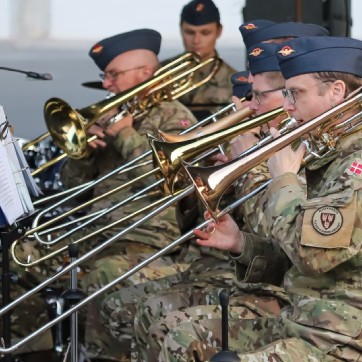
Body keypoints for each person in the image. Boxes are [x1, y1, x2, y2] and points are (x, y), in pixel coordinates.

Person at [159, 35, 362, 361]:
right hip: (303, 317)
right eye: (285, 93)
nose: (288, 106)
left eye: (296, 94)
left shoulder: (356, 165)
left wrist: (282, 181)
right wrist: (242, 244)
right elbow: (304, 263)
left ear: (336, 92)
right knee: (182, 337)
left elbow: (312, 256)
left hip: (339, 334)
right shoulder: (329, 150)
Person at [125, 42, 292, 362]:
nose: (248, 107)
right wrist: (237, 238)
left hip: (284, 297)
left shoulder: (302, 150)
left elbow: (287, 235)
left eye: (258, 96)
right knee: (152, 313)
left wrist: (248, 167)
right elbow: (199, 220)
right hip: (250, 278)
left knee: (175, 330)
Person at [59, 29, 198, 361]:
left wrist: (125, 135)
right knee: (20, 257)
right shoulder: (111, 115)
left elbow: (167, 181)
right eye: (105, 75)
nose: (106, 84)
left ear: (145, 73)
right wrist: (82, 154)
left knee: (103, 275)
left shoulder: (175, 118)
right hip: (97, 232)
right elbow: (71, 190)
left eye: (113, 74)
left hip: (147, 237)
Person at [173, 0, 236, 120]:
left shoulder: (235, 81)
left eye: (205, 33)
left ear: (219, 31)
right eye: (189, 32)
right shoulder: (160, 74)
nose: (196, 40)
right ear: (181, 29)